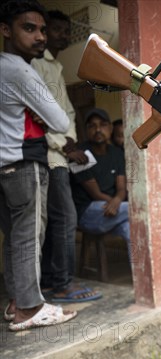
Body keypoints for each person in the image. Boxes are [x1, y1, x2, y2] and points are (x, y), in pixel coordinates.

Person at [0, 0, 77, 331]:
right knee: (29, 236)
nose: (40, 36)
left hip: (4, 166)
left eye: (42, 29)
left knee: (15, 238)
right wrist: (40, 116)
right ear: (5, 30)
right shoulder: (20, 70)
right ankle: (29, 309)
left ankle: (17, 301)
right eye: (28, 28)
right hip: (25, 164)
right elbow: (59, 121)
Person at [31, 9, 101, 303]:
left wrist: (71, 143)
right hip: (51, 156)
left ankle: (49, 281)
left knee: (55, 220)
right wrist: (66, 145)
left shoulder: (55, 66)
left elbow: (63, 112)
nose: (59, 35)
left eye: (63, 30)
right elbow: (36, 112)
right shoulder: (36, 63)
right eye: (54, 29)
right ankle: (62, 284)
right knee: (64, 219)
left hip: (60, 155)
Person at [71, 108, 130, 258]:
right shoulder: (81, 154)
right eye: (92, 126)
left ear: (110, 128)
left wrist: (117, 201)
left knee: (133, 228)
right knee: (138, 209)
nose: (98, 130)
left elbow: (121, 188)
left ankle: (144, 279)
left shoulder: (116, 153)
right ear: (86, 130)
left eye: (103, 125)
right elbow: (96, 194)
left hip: (115, 211)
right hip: (88, 213)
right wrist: (116, 203)